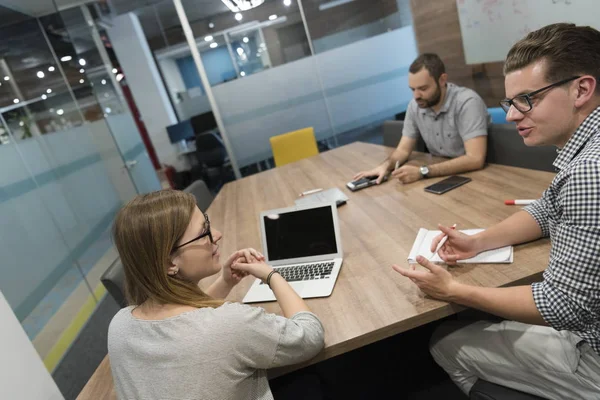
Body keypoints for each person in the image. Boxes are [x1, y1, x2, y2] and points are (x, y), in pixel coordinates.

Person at [392, 23, 600, 399]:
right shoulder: (587, 150)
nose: (511, 116)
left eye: (528, 99)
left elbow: (563, 305)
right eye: (510, 102)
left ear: (581, 89)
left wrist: (455, 289)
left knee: (444, 342)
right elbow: (545, 210)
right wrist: (479, 242)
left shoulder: (588, 173)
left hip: (594, 355)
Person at [107, 190, 325, 400]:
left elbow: (186, 323)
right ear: (168, 262)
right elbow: (310, 336)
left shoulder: (119, 327)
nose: (217, 235)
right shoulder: (231, 323)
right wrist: (271, 275)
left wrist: (225, 282)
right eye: (204, 233)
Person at [353, 53, 489, 185]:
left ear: (442, 80)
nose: (416, 95)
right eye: (412, 89)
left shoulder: (467, 102)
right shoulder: (415, 106)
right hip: (441, 176)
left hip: (479, 178)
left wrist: (423, 171)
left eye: (423, 88)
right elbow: (403, 150)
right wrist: (385, 166)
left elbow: (475, 159)